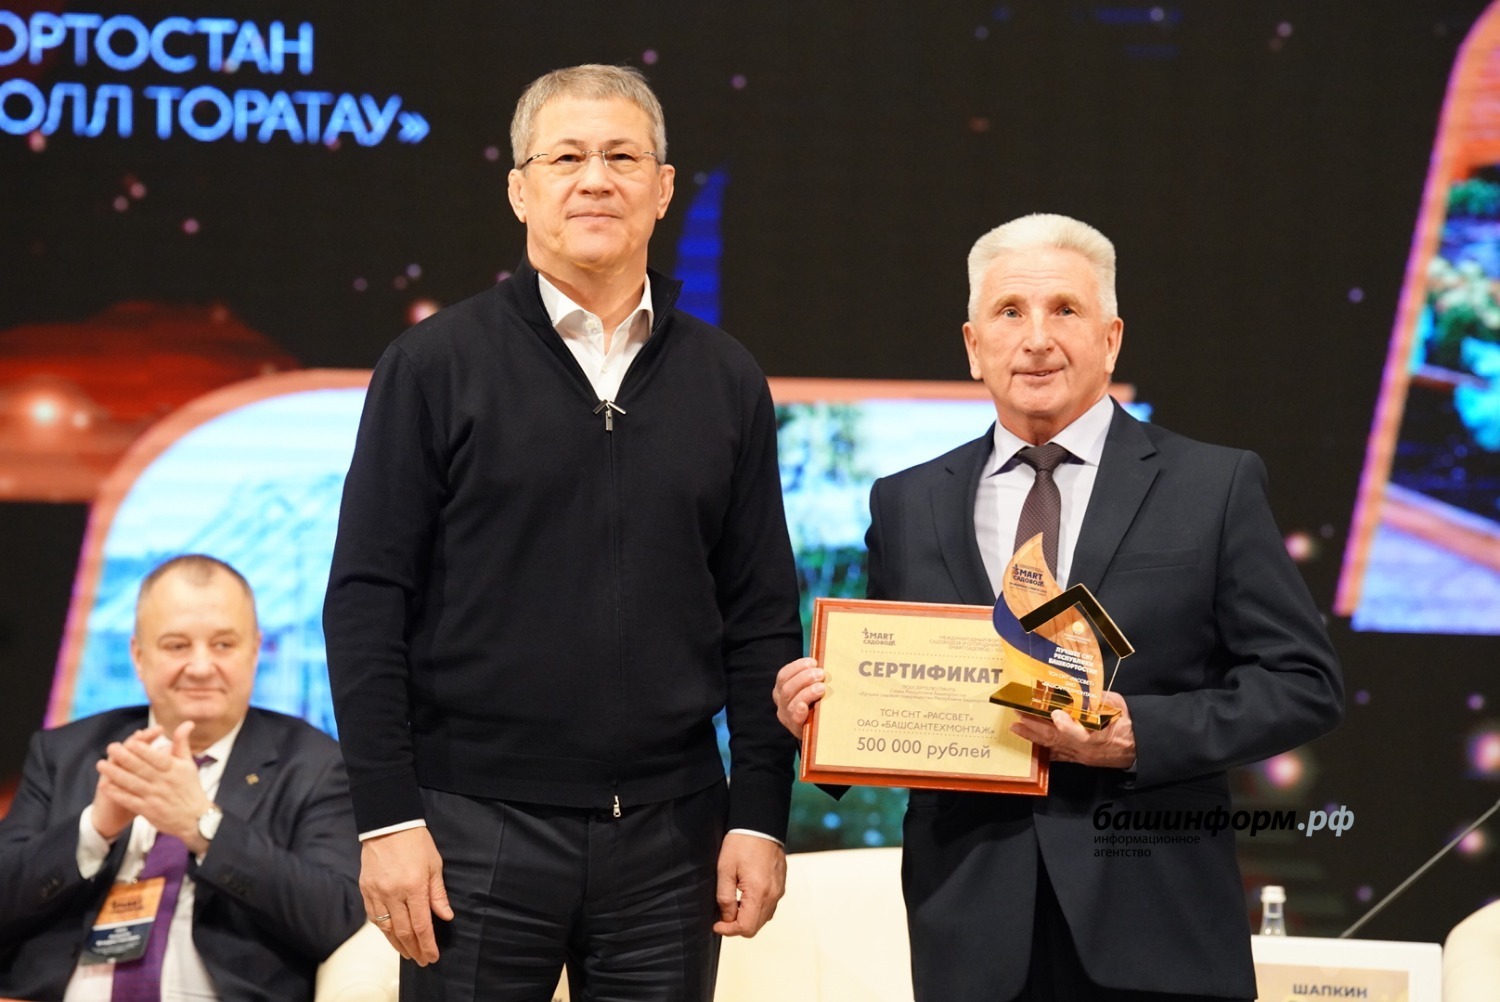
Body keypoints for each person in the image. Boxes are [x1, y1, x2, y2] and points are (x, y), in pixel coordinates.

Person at [773, 214, 1344, 1002]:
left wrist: (1140, 735)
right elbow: (888, 689)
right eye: (1009, 312)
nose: (1036, 339)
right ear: (973, 346)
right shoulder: (906, 502)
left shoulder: (1212, 486)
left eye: (1065, 310)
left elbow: (1304, 683)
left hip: (1156, 925)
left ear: (1111, 339)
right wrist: (822, 718)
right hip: (971, 937)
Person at [323, 64, 802, 1000]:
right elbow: (366, 600)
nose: (596, 180)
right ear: (520, 189)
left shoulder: (726, 378)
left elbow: (760, 616)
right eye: (567, 158)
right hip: (472, 828)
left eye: (623, 158)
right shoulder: (432, 365)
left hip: (673, 836)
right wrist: (386, 819)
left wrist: (759, 814)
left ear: (663, 188)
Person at [0, 554, 364, 1001]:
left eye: (224, 644)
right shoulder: (67, 753)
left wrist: (204, 827)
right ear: (138, 656)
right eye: (176, 646)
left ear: (255, 651)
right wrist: (94, 830)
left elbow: (336, 918)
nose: (200, 666)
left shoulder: (314, 765)